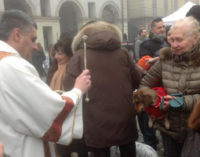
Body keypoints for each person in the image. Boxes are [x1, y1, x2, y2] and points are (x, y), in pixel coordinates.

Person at [0, 9, 91, 157]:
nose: (36, 46)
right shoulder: (12, 65)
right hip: (22, 149)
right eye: (33, 39)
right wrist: (78, 90)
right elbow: (48, 112)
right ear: (17, 35)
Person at [63, 21, 141, 157]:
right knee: (128, 151)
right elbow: (136, 79)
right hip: (124, 115)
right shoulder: (123, 52)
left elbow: (69, 86)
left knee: (100, 152)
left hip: (95, 118)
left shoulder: (81, 55)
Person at [140, 16, 200, 157]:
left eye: (179, 40)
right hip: (169, 130)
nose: (173, 45)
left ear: (195, 39)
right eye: (171, 39)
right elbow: (144, 85)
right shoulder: (165, 60)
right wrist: (157, 101)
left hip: (196, 130)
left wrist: (182, 102)